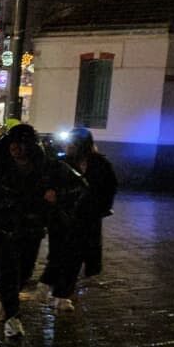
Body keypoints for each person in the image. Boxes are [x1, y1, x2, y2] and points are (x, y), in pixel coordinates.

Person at [0, 124, 67, 339]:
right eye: (12, 143)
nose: (15, 148)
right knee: (8, 272)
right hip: (1, 228)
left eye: (21, 144)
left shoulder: (46, 168)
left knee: (24, 272)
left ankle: (4, 297)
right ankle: (12, 316)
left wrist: (56, 196)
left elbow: (74, 187)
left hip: (31, 230)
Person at [41, 128, 117, 311]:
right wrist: (50, 194)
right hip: (61, 218)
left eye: (73, 143)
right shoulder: (61, 163)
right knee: (58, 254)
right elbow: (48, 183)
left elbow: (109, 187)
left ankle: (61, 293)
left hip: (85, 219)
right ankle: (52, 287)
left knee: (75, 256)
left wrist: (99, 207)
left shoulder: (100, 164)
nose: (68, 146)